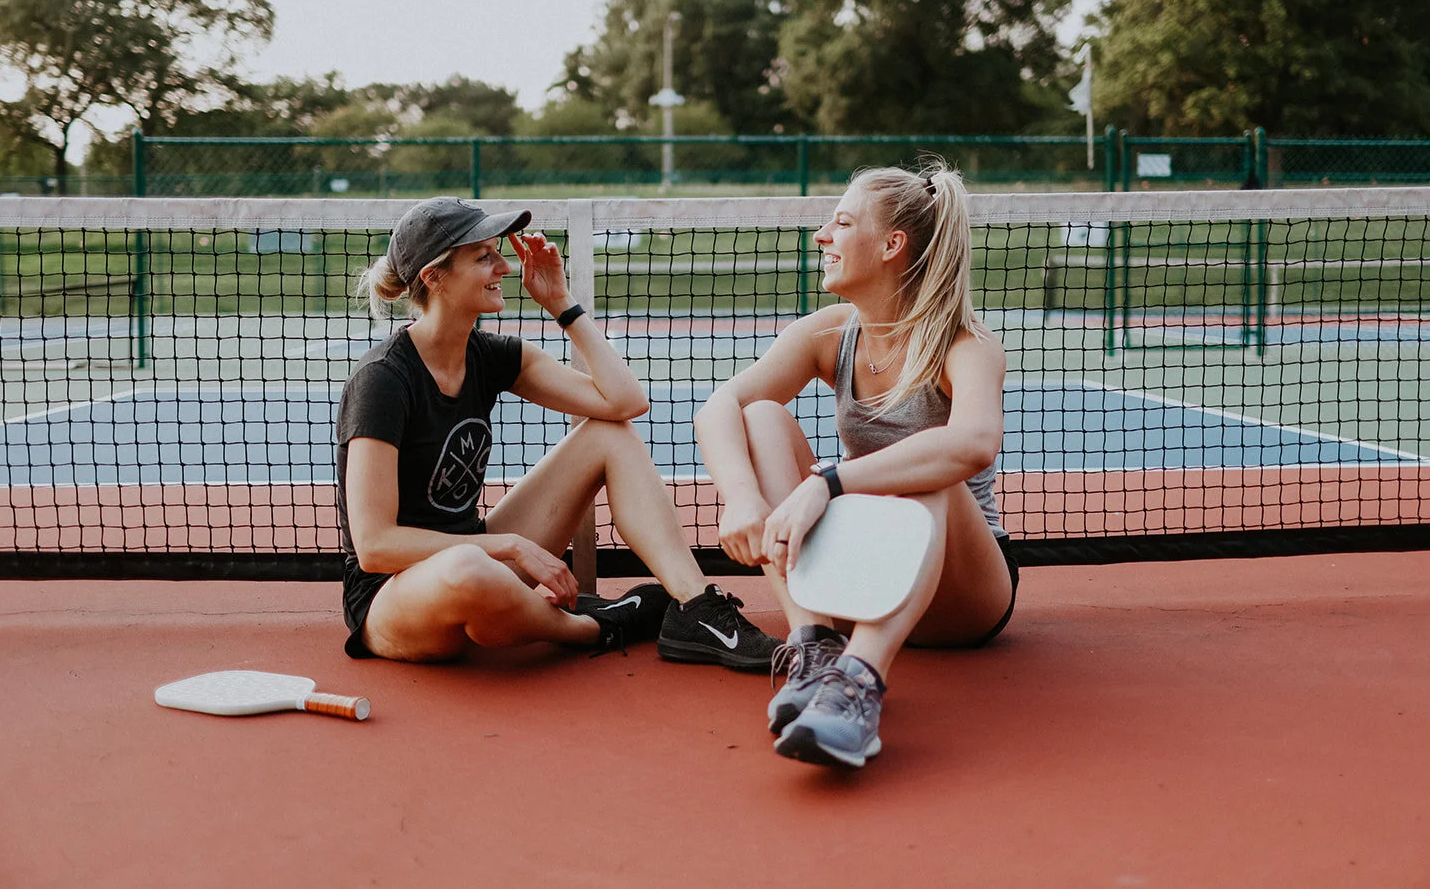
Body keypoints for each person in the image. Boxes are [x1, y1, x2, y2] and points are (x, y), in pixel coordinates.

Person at [337, 196, 778, 669]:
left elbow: (625, 402)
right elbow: (376, 545)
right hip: (394, 595)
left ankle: (698, 609)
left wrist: (560, 303)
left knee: (611, 434)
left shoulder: (492, 355)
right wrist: (508, 546)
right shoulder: (382, 380)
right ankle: (596, 626)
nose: (504, 267)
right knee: (466, 569)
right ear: (434, 277)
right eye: (484, 256)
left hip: (478, 562)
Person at [694, 163, 1016, 767]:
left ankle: (858, 687)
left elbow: (973, 444)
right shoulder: (829, 334)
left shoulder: (967, 345)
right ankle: (814, 646)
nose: (821, 236)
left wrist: (829, 481)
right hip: (863, 573)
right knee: (760, 415)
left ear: (893, 245)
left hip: (960, 593)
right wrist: (741, 497)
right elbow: (721, 407)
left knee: (934, 482)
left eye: (841, 223)